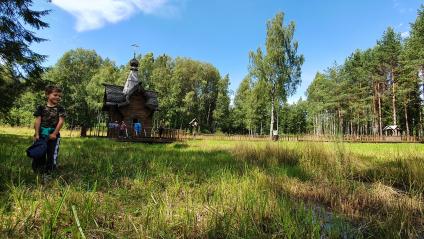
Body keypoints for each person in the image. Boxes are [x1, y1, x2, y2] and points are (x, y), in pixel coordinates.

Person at [32, 85, 66, 174]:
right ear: (47, 94)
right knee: (39, 152)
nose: (58, 97)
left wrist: (54, 133)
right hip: (41, 134)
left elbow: (61, 121)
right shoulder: (41, 107)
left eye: (59, 96)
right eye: (55, 95)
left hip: (53, 135)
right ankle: (38, 170)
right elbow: (37, 120)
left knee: (52, 154)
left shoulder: (60, 108)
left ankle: (50, 172)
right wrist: (37, 134)